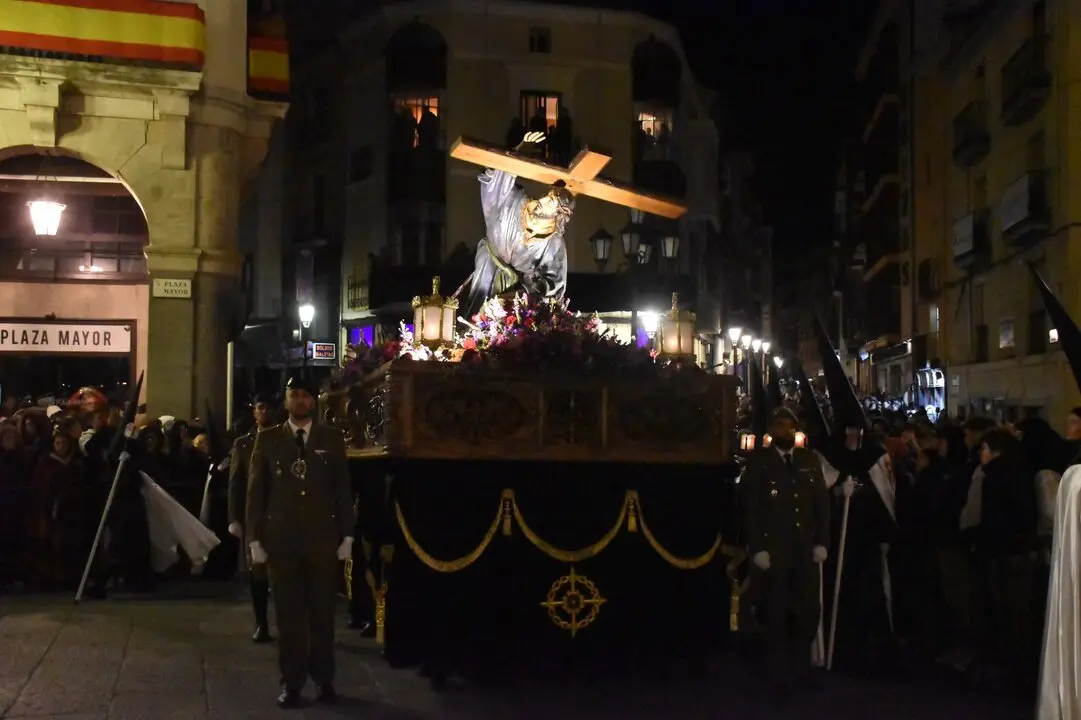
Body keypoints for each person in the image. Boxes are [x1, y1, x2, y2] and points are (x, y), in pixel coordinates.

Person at [246, 374, 354, 709]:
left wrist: (348, 534)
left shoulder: (331, 439)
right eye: (295, 396)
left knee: (323, 616)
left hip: (321, 540)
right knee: (289, 618)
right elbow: (255, 494)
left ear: (315, 401)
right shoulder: (268, 440)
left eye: (306, 396)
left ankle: (324, 679)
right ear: (286, 401)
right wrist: (254, 539)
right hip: (282, 542)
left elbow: (342, 490)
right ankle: (291, 683)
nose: (301, 402)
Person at [741, 407, 830, 691]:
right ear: (771, 431)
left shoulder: (808, 460)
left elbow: (821, 505)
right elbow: (750, 507)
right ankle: (777, 670)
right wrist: (757, 547)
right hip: (774, 547)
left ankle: (801, 665)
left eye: (790, 426)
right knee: (776, 610)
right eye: (779, 426)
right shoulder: (760, 462)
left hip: (804, 547)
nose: (785, 431)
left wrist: (821, 542)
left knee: (809, 610)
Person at [227, 393, 279, 643]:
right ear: (254, 412)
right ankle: (261, 623)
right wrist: (234, 517)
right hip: (254, 515)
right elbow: (236, 482)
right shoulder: (243, 443)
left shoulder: (284, 439)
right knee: (257, 571)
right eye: (260, 407)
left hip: (280, 513)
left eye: (268, 407)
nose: (265, 412)